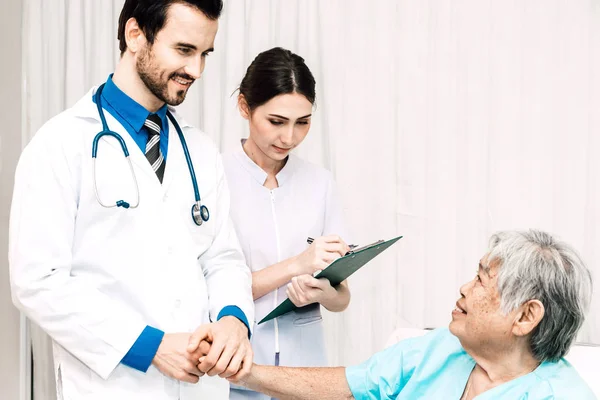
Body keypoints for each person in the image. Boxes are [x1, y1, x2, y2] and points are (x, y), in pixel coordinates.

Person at [8, 1, 254, 399]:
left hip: (198, 386)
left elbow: (222, 258)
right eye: (184, 50)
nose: (197, 70)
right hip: (113, 385)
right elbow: (36, 281)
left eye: (204, 54)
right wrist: (149, 345)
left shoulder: (200, 150)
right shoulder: (60, 145)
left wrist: (233, 320)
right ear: (135, 35)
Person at [227, 230, 596, 399]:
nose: (465, 288)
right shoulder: (444, 347)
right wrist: (244, 371)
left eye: (483, 281)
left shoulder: (561, 395)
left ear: (526, 317)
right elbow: (353, 386)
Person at [221, 47, 352, 399]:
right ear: (245, 107)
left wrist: (326, 292)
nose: (289, 138)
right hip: (237, 368)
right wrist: (298, 264)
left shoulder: (320, 183)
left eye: (302, 122)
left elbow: (342, 298)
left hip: (306, 373)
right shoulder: (213, 178)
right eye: (276, 121)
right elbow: (211, 289)